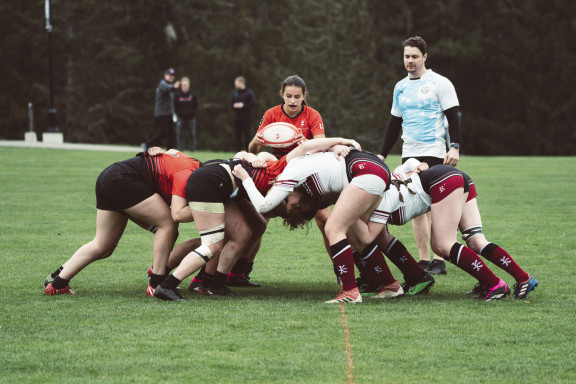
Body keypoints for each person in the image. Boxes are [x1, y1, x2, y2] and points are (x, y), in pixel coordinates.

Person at [153, 137, 359, 301]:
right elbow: (307, 146)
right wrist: (340, 141)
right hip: (212, 180)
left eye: (294, 208)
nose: (293, 203)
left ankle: (214, 284)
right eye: (297, 202)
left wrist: (334, 147)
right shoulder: (283, 170)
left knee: (236, 235)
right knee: (212, 245)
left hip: (219, 186)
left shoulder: (278, 187)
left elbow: (308, 149)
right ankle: (166, 284)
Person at [233, 147, 399, 304]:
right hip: (373, 169)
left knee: (333, 229)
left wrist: (246, 179)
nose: (296, 206)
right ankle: (390, 285)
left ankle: (350, 292)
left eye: (292, 205)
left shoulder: (289, 175)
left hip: (365, 170)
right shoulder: (313, 190)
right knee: (356, 236)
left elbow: (308, 146)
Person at [353, 162, 538, 301]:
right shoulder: (380, 186)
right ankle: (523, 278)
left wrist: (347, 222)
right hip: (450, 177)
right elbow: (408, 164)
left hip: (444, 180)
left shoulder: (381, 199)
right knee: (475, 241)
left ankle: (495, 285)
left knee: (442, 245)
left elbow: (368, 237)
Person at [43, 148, 201, 296]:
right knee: (168, 225)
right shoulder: (187, 172)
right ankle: (156, 283)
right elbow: (178, 213)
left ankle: (57, 282)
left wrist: (156, 149)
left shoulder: (192, 164)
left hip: (111, 176)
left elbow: (171, 152)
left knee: (103, 246)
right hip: (122, 180)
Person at [378, 36, 463, 276]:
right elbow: (394, 123)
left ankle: (439, 258)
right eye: (407, 56)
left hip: (435, 152)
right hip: (409, 154)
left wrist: (454, 146)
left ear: (425, 57)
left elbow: (452, 115)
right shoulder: (400, 86)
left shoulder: (440, 83)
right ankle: (424, 259)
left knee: (435, 206)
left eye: (415, 56)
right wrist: (383, 154)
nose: (410, 61)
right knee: (416, 206)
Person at [246, 75, 333, 282]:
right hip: (277, 170)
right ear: (282, 95)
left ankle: (341, 271)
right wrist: (255, 142)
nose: (293, 101)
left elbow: (321, 144)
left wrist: (306, 142)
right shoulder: (272, 114)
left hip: (306, 168)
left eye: (297, 96)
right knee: (260, 219)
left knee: (325, 219)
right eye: (288, 96)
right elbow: (252, 149)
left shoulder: (312, 115)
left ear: (304, 96)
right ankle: (241, 272)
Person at [142, 68, 180, 151]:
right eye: (169, 75)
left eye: (172, 76)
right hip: (162, 113)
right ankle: (147, 144)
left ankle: (169, 151)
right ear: (165, 75)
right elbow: (168, 88)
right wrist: (174, 86)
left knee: (172, 133)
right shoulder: (162, 84)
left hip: (169, 113)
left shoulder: (170, 86)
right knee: (163, 132)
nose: (171, 77)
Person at [230, 76, 256, 151]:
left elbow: (253, 104)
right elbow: (231, 104)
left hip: (246, 118)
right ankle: (238, 152)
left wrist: (243, 105)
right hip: (237, 118)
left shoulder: (249, 93)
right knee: (238, 136)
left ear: (241, 82)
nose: (235, 84)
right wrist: (234, 105)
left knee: (247, 136)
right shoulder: (235, 93)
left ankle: (248, 152)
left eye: (236, 83)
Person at [174, 77, 199, 152]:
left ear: (189, 85)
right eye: (183, 84)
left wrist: (192, 114)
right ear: (181, 85)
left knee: (192, 134)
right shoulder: (177, 95)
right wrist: (180, 114)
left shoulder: (193, 95)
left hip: (191, 118)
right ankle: (180, 150)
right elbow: (175, 106)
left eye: (186, 84)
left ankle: (192, 150)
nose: (185, 86)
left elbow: (196, 106)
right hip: (181, 118)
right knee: (180, 135)